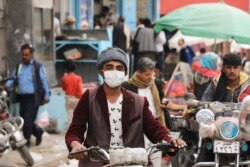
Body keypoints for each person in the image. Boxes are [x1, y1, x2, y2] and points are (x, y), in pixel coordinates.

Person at [65, 47, 186, 166]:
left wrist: (169, 140)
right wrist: (75, 144)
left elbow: (153, 128)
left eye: (119, 68)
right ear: (101, 71)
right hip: (98, 161)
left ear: (125, 72)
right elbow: (76, 129)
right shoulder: (89, 97)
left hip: (133, 161)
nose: (114, 71)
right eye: (109, 67)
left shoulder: (138, 101)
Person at [199, 53, 250, 163]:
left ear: (240, 68)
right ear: (223, 68)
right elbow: (205, 100)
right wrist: (200, 107)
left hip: (243, 124)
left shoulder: (248, 83)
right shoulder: (215, 82)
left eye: (235, 67)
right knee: (206, 140)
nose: (232, 71)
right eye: (228, 67)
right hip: (218, 125)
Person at [6, 44, 50, 147]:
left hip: (33, 98)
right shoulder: (19, 66)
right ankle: (38, 132)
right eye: (23, 55)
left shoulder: (37, 66)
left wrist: (47, 95)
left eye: (26, 55)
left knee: (27, 121)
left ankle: (26, 143)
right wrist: (6, 85)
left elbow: (44, 81)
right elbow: (13, 78)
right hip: (22, 98)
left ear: (31, 55)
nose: (24, 57)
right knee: (24, 120)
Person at [61, 59, 83, 128]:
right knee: (79, 118)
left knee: (70, 118)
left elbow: (64, 89)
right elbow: (80, 91)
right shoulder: (78, 78)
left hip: (69, 99)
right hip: (77, 99)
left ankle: (72, 135)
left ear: (65, 68)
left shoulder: (64, 78)